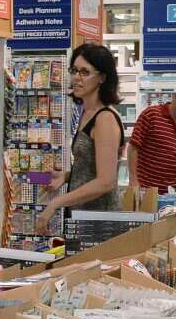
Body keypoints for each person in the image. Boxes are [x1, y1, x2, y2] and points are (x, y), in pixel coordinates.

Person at [36, 44, 124, 234]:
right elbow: (92, 165)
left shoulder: (105, 118)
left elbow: (106, 181)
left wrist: (56, 203)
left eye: (85, 72)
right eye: (74, 70)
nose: (77, 77)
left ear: (102, 78)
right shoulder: (87, 114)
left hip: (100, 223)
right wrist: (67, 175)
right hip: (82, 219)